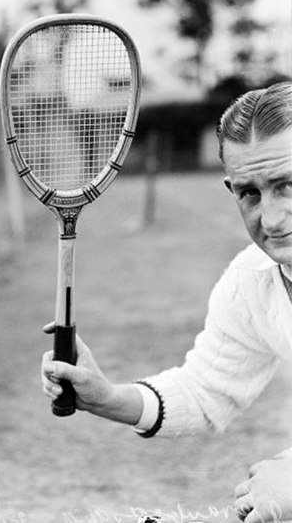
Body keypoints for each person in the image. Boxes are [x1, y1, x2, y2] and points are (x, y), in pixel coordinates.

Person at [41, 82, 292, 523]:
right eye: (249, 193)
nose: (270, 219)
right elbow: (207, 390)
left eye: (286, 185)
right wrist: (105, 397)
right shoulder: (251, 281)